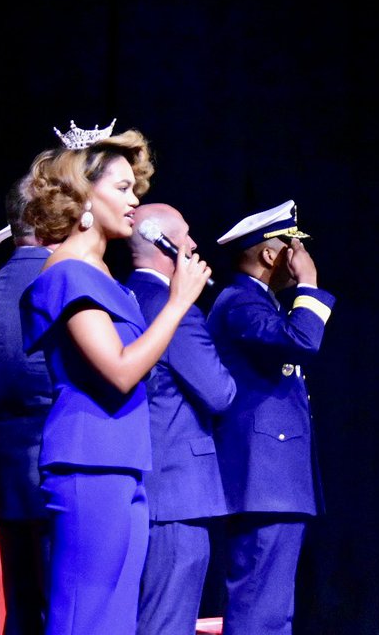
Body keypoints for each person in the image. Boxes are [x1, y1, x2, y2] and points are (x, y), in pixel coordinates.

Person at [20, 123, 211, 635]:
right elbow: (121, 370)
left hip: (123, 460)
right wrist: (177, 303)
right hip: (88, 461)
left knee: (116, 620)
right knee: (86, 615)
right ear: (83, 194)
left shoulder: (104, 278)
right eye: (122, 189)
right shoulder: (66, 273)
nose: (134, 201)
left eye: (135, 188)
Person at [209, 200, 335, 635]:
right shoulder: (241, 302)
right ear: (270, 254)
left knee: (273, 609)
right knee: (259, 606)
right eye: (292, 248)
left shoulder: (259, 303)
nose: (300, 258)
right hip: (262, 480)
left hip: (274, 480)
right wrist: (311, 284)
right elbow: (302, 341)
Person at [124, 203, 237, 635]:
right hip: (175, 494)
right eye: (185, 236)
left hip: (143, 488)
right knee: (167, 621)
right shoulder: (174, 308)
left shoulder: (123, 294)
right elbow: (219, 391)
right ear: (162, 243)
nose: (192, 245)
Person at [0, 178, 57, 635]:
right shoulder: (57, 282)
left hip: (3, 480)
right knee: (59, 608)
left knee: (22, 609)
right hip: (54, 469)